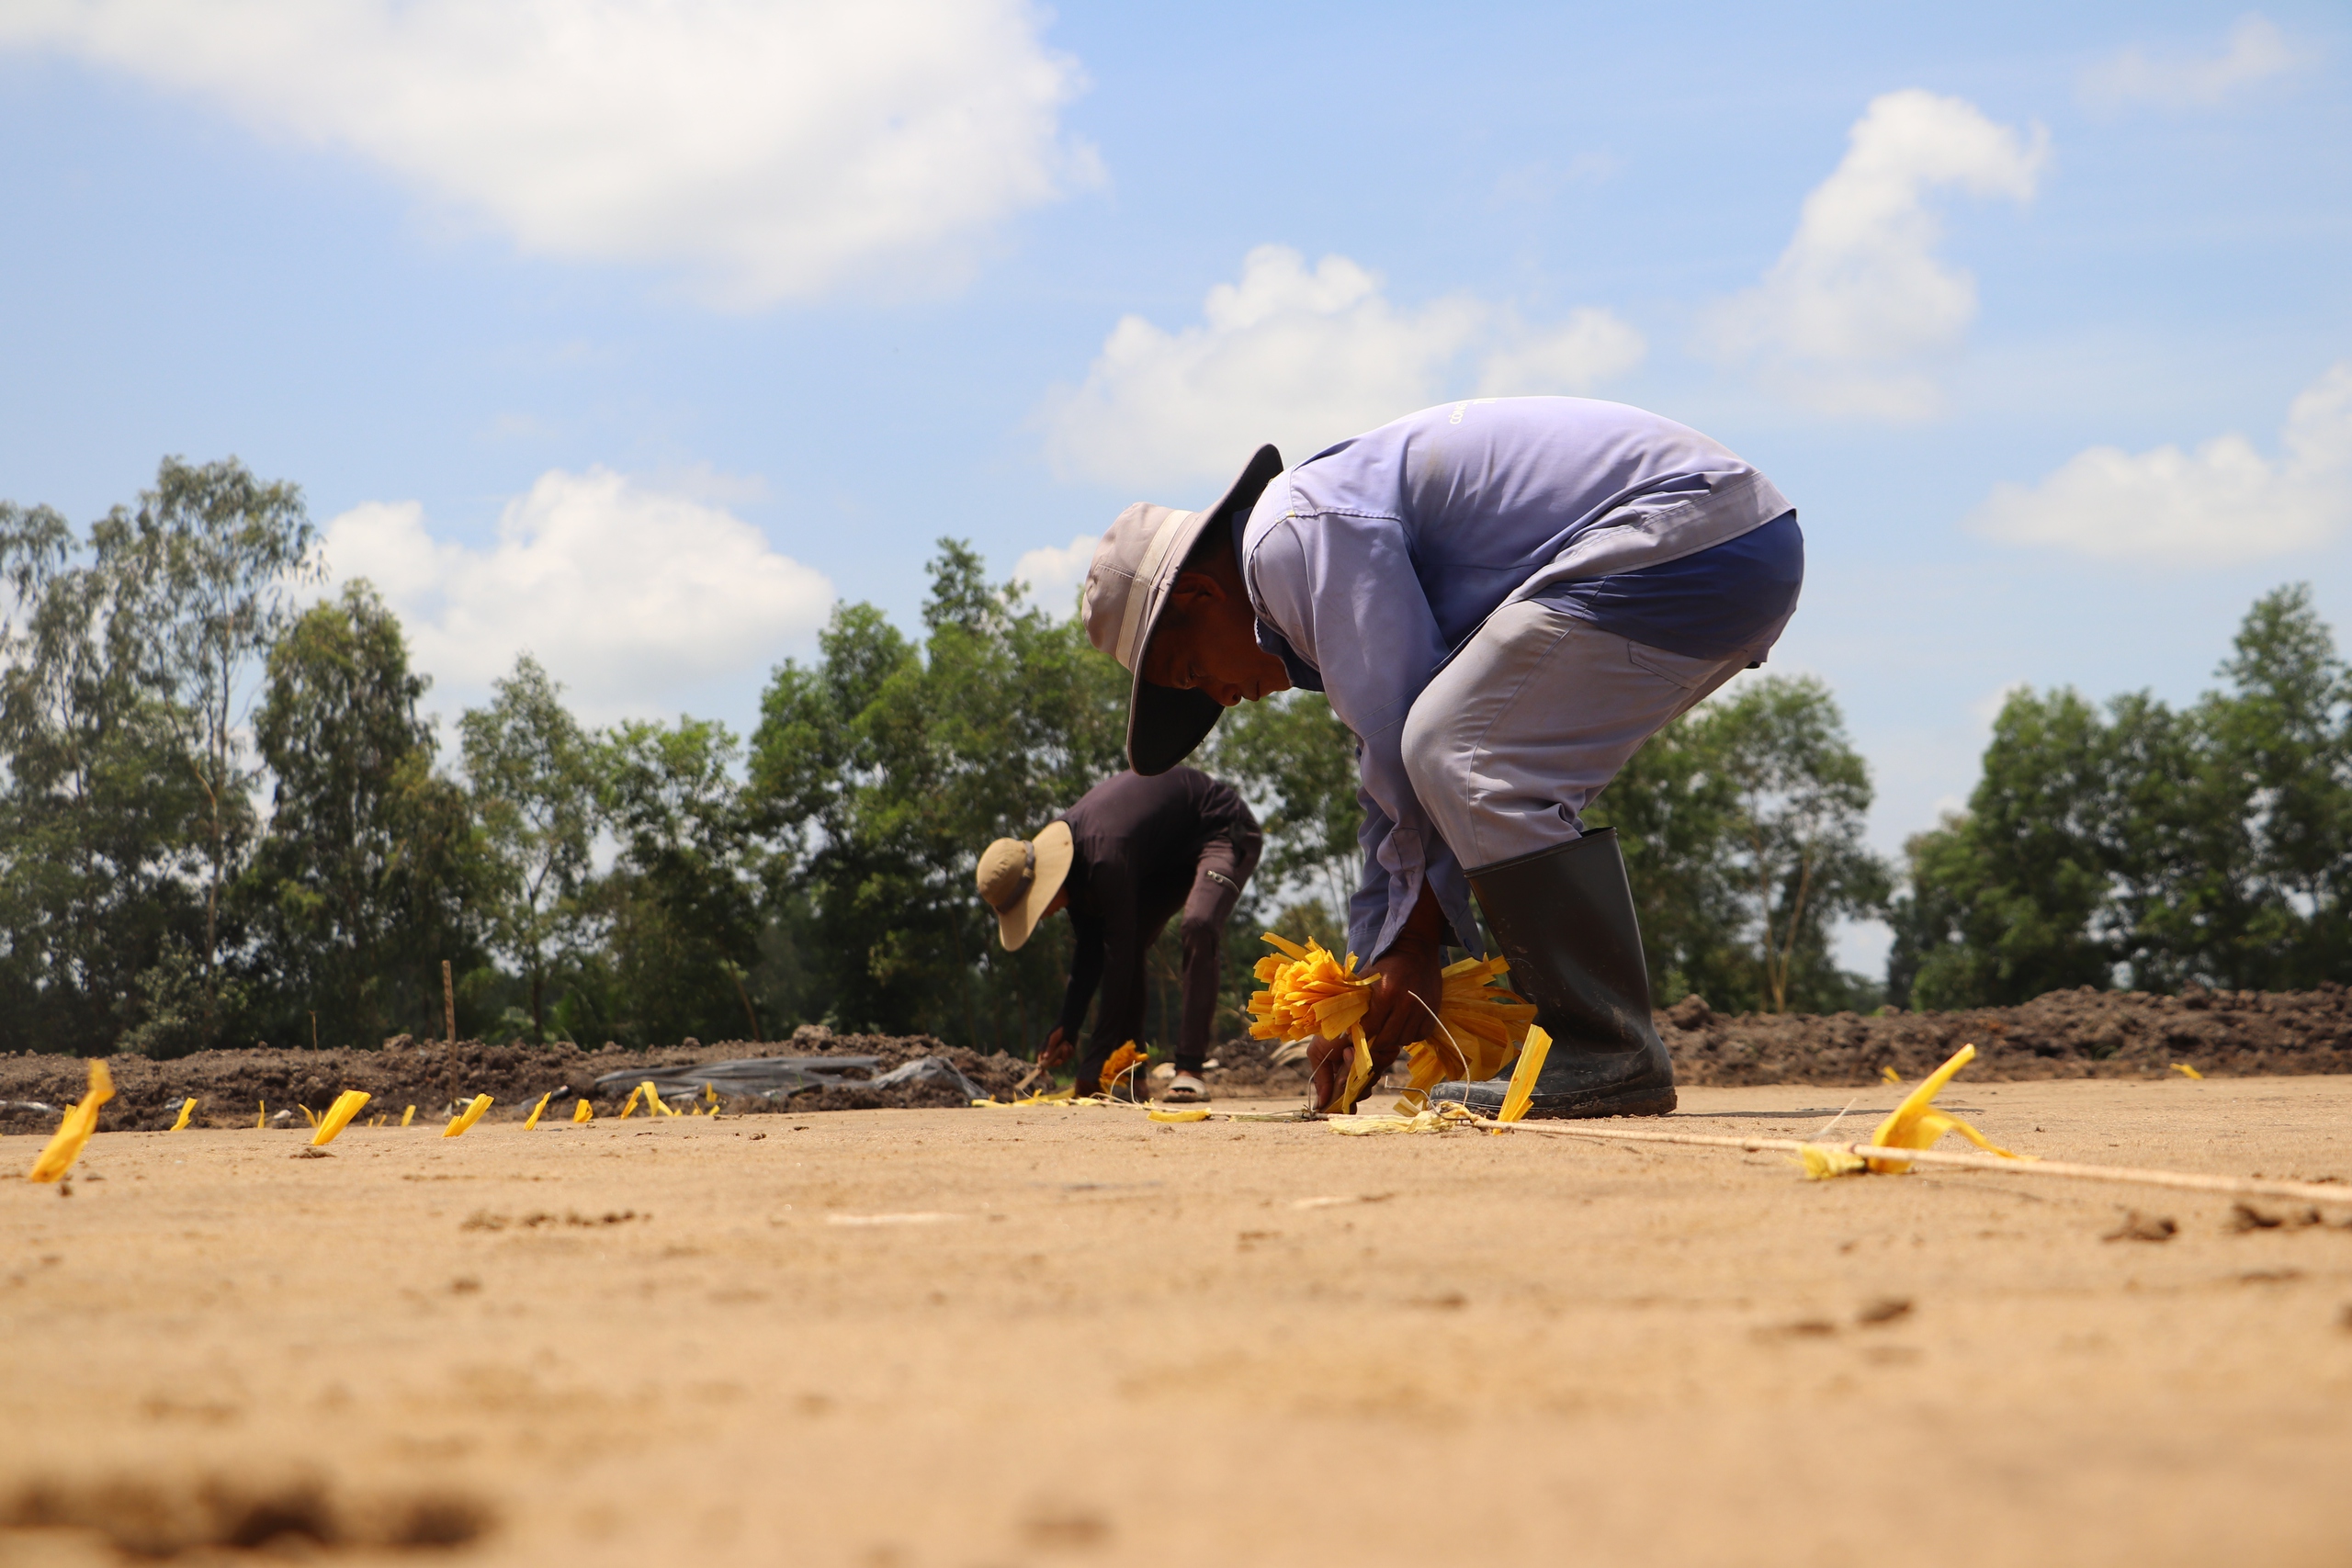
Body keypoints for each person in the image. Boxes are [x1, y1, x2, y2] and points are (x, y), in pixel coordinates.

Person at [1077, 396, 1802, 1118]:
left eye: (1190, 672)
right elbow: (1391, 789)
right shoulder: (1304, 554)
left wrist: (1415, 942)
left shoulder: (1286, 539)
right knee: (1461, 750)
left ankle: (1603, 1046)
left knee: (1460, 749)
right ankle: (1589, 1040)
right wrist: (1364, 989)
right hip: (1729, 546)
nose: (1222, 697)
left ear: (1202, 595)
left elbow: (1415, 747)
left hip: (1681, 535)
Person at [975, 765, 1261, 1103]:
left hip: (1222, 829)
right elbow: (1089, 954)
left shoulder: (1103, 857)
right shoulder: (1078, 871)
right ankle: (1132, 1074)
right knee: (1135, 938)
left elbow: (1117, 956)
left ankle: (1190, 1069)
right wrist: (1067, 1023)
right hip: (1167, 856)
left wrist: (1095, 1057)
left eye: (1035, 908)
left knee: (1197, 924)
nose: (1043, 915)